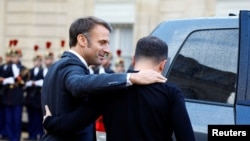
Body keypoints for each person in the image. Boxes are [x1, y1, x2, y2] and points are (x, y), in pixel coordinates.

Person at [42, 36, 195, 141]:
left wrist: (49, 121)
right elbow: (186, 137)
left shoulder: (110, 89)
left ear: (134, 60)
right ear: (163, 64)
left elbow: (75, 121)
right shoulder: (171, 93)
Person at [40, 17, 166, 141]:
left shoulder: (58, 66)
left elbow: (81, 115)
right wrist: (130, 77)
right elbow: (78, 84)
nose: (107, 50)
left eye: (108, 43)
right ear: (82, 40)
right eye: (102, 42)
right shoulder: (70, 66)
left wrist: (51, 123)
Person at [1, 43, 30, 141]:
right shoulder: (5, 67)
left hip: (17, 98)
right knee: (8, 120)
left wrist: (7, 80)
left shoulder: (23, 69)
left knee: (16, 120)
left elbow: (21, 82)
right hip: (6, 98)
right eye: (11, 56)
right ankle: (9, 137)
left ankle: (16, 138)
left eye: (15, 56)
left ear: (18, 57)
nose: (13, 58)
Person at [24, 46, 44, 141]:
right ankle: (31, 134)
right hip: (29, 98)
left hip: (38, 98)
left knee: (38, 118)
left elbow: (44, 82)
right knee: (31, 117)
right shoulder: (30, 71)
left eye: (39, 61)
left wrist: (35, 83)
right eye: (35, 60)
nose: (37, 62)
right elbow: (24, 82)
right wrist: (30, 83)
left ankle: (39, 134)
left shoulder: (43, 70)